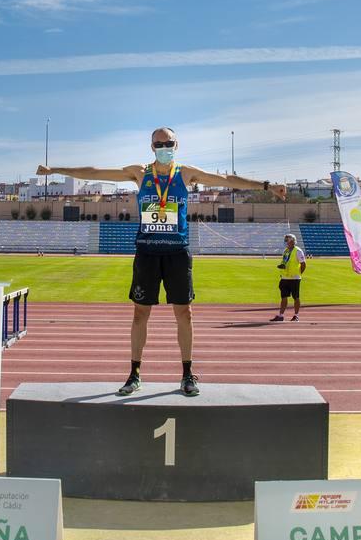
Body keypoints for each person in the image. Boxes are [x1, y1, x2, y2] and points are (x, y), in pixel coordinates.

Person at [39, 126, 286, 397]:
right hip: (147, 252)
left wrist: (266, 185)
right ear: (151, 147)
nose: (163, 148)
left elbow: (227, 179)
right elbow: (95, 172)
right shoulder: (140, 173)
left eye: (168, 143)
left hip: (177, 252)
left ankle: (187, 374)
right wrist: (56, 170)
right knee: (140, 314)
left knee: (184, 313)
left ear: (176, 145)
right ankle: (134, 374)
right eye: (158, 144)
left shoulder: (187, 173)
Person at [271, 233, 307, 322]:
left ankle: (296, 315)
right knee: (283, 297)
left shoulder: (298, 251)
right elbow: (286, 262)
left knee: (296, 297)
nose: (286, 242)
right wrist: (282, 266)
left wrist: (299, 274)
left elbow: (303, 264)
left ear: (292, 241)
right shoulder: (286, 251)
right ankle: (281, 315)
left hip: (294, 278)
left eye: (287, 240)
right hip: (284, 277)